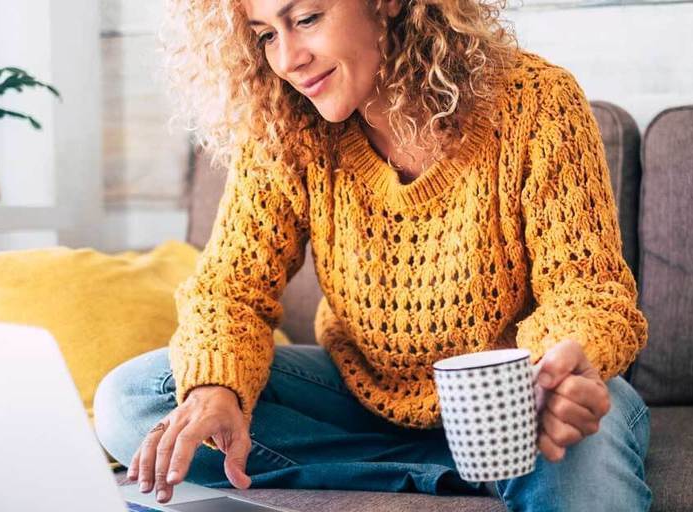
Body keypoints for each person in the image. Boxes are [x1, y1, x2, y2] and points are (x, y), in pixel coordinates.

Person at [93, 0, 653, 510]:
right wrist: (216, 387)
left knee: (583, 440)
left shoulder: (537, 102)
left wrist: (552, 377)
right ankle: (463, 473)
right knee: (134, 398)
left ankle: (474, 463)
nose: (287, 58)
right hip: (361, 395)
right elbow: (229, 289)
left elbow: (588, 293)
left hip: (515, 401)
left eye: (306, 19)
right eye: (265, 35)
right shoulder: (287, 127)